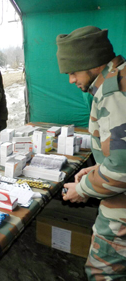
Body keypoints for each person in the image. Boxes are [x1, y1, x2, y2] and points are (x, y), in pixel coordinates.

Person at [57, 26, 126, 281]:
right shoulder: (118, 77)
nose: (71, 80)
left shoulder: (113, 93)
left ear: (91, 63)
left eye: (73, 72)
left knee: (102, 274)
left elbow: (121, 172)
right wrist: (96, 170)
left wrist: (82, 189)